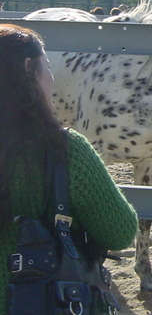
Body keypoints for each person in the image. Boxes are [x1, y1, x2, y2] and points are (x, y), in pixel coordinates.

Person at [0, 24, 138, 313]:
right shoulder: (66, 149)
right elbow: (120, 232)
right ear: (29, 69)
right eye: (47, 67)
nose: (52, 78)